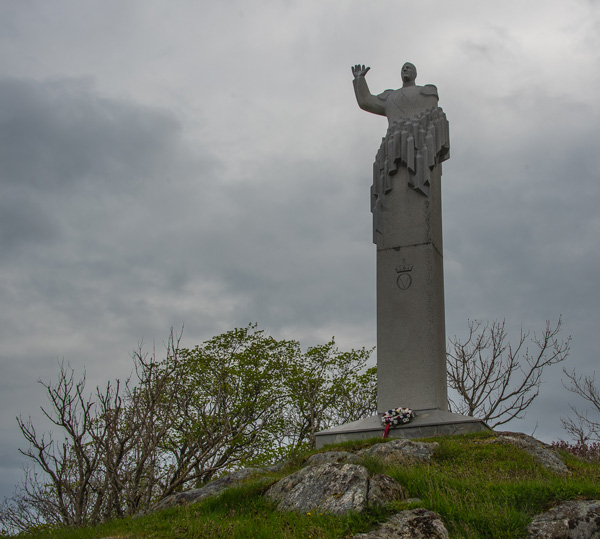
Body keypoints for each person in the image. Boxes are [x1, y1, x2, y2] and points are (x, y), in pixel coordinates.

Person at [352, 62, 439, 125]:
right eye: (403, 69)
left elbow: (433, 118)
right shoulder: (390, 96)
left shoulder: (425, 91)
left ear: (415, 74)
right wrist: (360, 78)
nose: (405, 69)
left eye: (408, 68)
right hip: (394, 142)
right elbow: (366, 102)